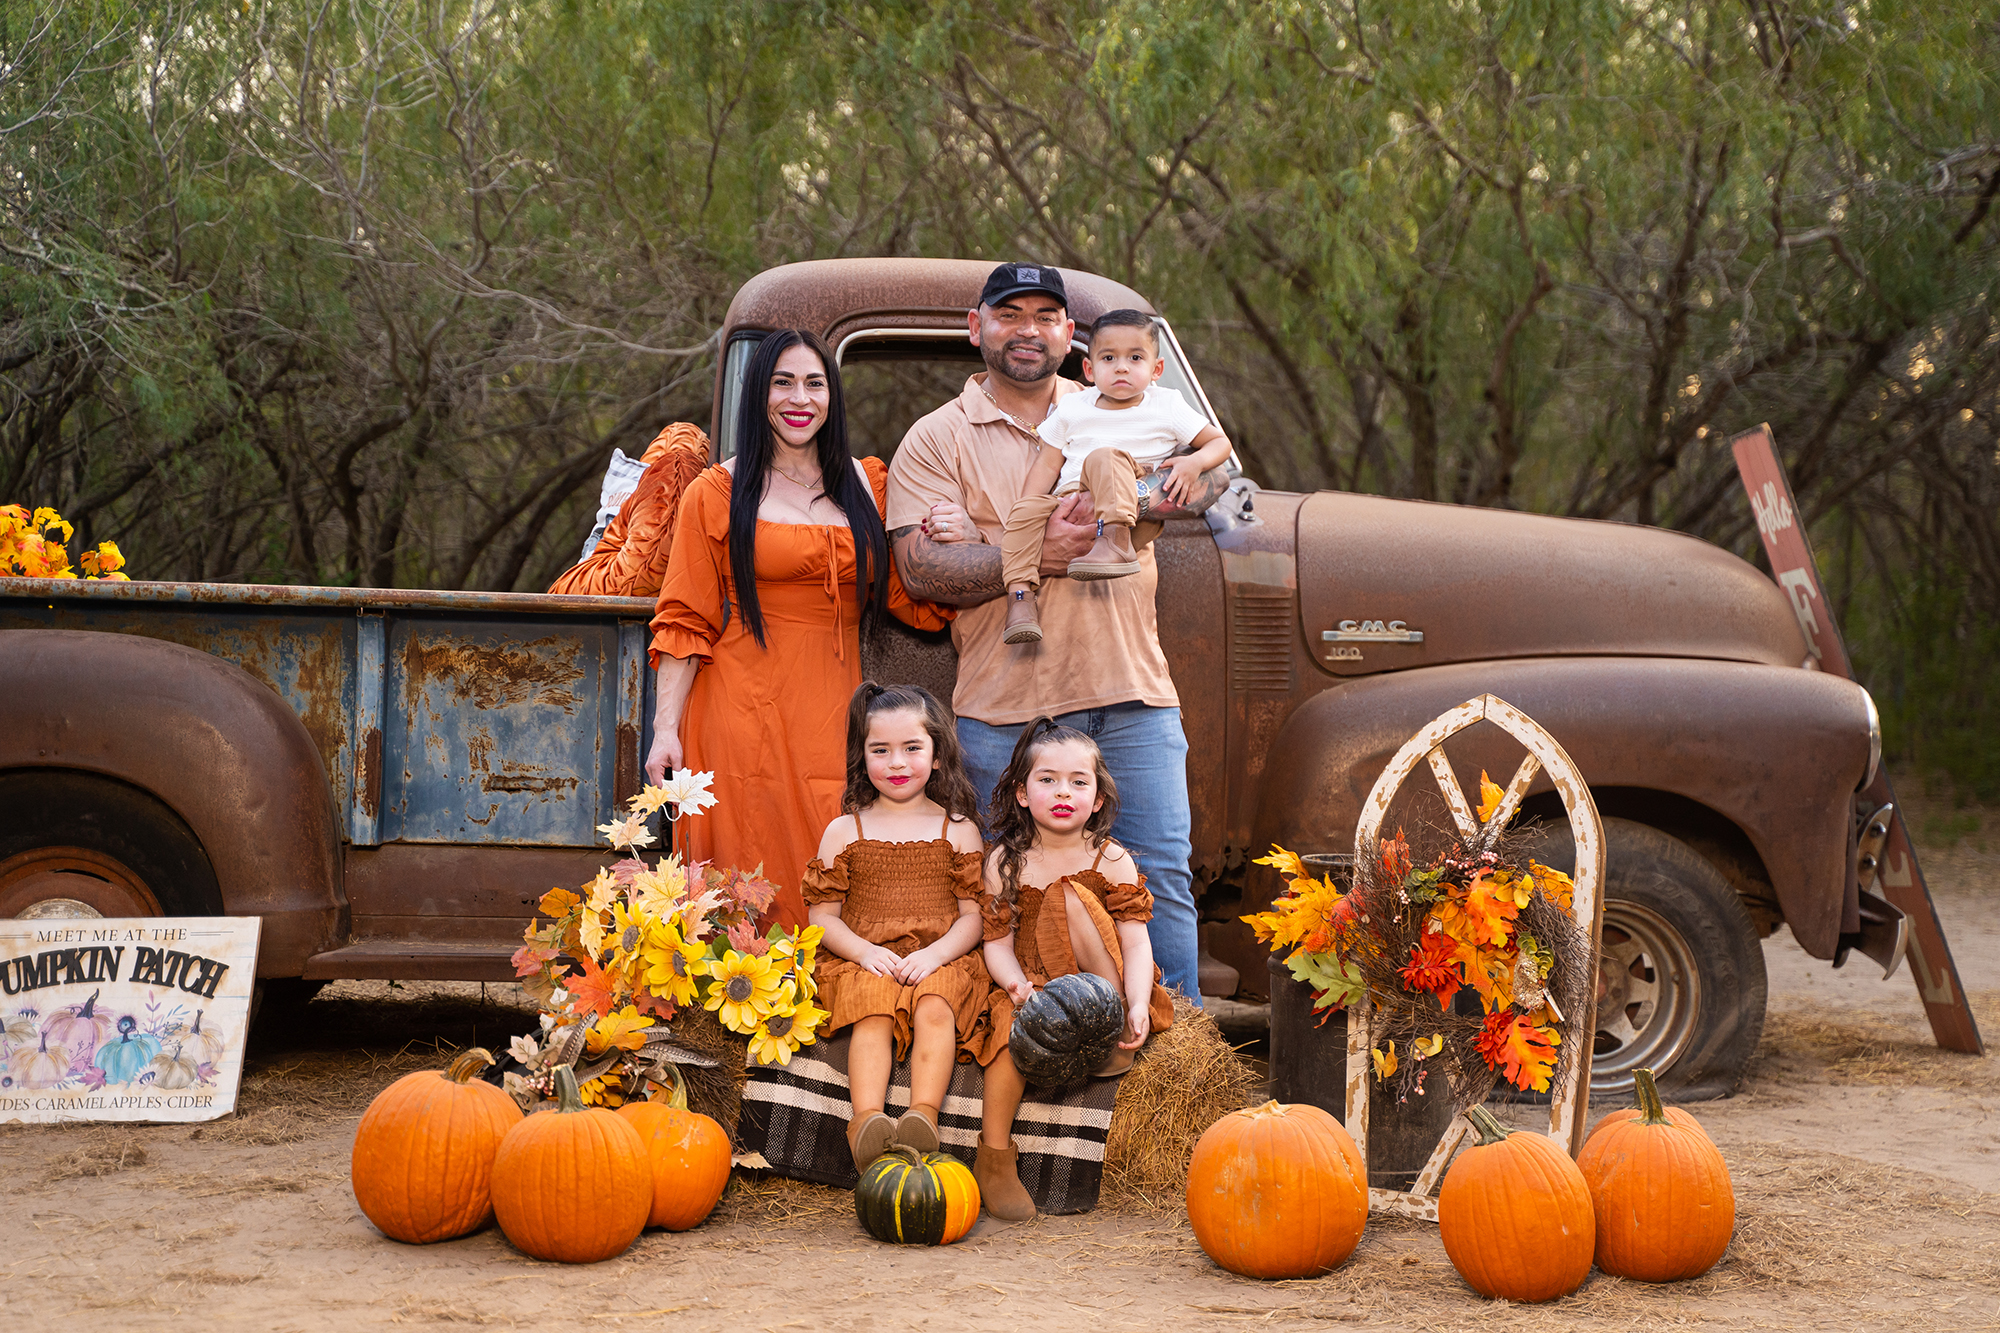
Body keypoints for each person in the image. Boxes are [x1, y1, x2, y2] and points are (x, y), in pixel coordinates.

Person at [885, 261, 1232, 1002]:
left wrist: (1156, 487)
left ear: (1071, 336)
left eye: (1046, 316)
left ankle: (1177, 1069)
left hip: (1134, 691)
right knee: (1011, 888)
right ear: (976, 328)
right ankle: (1039, 1063)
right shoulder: (935, 438)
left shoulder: (1118, 394)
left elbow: (1211, 481)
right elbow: (920, 569)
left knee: (1158, 876)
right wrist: (1039, 553)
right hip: (1009, 707)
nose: (1028, 329)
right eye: (1010, 314)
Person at [647, 331, 952, 928]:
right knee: (746, 870)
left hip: (835, 712)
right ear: (758, 395)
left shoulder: (869, 486)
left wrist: (952, 535)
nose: (799, 398)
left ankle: (838, 1008)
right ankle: (746, 1011)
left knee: (832, 851)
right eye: (782, 382)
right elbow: (685, 618)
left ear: (832, 396)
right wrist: (664, 730)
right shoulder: (717, 492)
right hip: (737, 711)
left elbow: (911, 595)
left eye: (814, 383)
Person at [975, 720, 1176, 1220]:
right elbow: (995, 942)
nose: (1063, 792)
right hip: (1033, 983)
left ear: (1098, 798)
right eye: (1047, 780)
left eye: (1078, 782)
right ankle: (994, 1155)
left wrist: (1134, 1002)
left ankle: (1107, 1031)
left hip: (1100, 979)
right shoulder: (1006, 861)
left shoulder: (1110, 858)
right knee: (1006, 1038)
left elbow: (1134, 940)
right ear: (1022, 794)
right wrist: (1014, 985)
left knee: (1072, 893)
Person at [802, 683, 996, 1175]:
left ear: (936, 755)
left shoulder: (959, 829)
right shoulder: (846, 830)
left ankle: (921, 1115)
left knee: (936, 1004)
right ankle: (865, 1121)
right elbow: (822, 918)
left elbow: (973, 915)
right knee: (874, 1009)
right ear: (862, 756)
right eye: (880, 750)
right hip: (866, 956)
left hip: (941, 956)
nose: (897, 762)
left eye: (912, 748)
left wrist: (935, 957)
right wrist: (864, 952)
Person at [995, 308, 1235, 642]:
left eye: (1135, 357)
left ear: (1156, 369)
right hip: (1072, 498)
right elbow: (1048, 464)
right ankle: (1020, 598)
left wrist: (1193, 463)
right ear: (1090, 369)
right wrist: (1032, 505)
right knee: (1022, 513)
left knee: (1103, 458)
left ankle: (1114, 542)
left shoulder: (1166, 404)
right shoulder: (1073, 407)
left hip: (1130, 506)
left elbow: (1219, 442)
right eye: (1109, 357)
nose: (1121, 366)